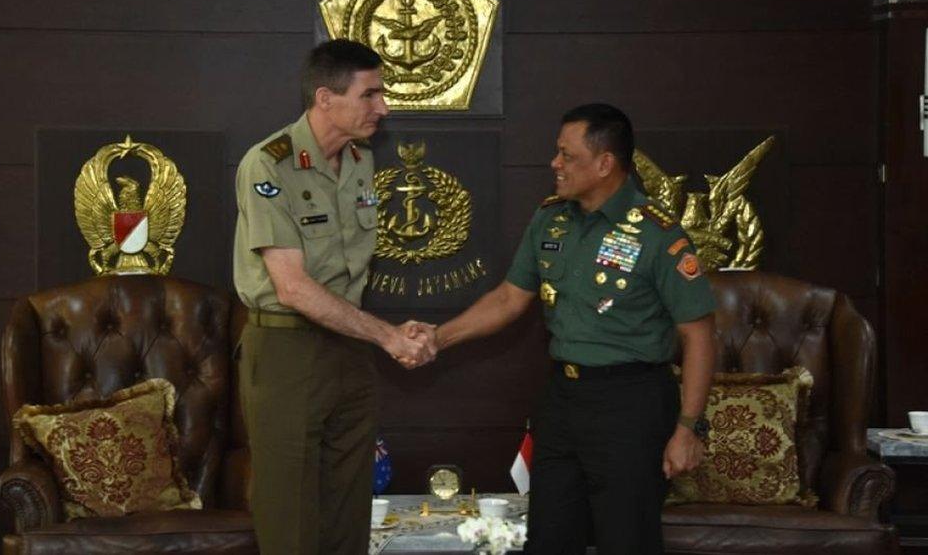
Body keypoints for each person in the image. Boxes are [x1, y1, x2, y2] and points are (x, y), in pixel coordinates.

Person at [420, 103, 716, 554]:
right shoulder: (550, 218)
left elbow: (698, 335)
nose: (554, 164)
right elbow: (508, 299)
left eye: (566, 155)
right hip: (563, 400)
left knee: (627, 539)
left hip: (631, 404)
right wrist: (437, 339)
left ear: (605, 163)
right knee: (550, 536)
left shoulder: (658, 234)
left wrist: (687, 428)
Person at [233, 39, 435, 555]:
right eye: (370, 95)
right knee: (292, 517)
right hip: (287, 352)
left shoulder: (360, 159)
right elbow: (292, 287)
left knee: (350, 507)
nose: (382, 108)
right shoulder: (269, 164)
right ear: (326, 98)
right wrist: (388, 336)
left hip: (348, 350)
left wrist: (374, 338)